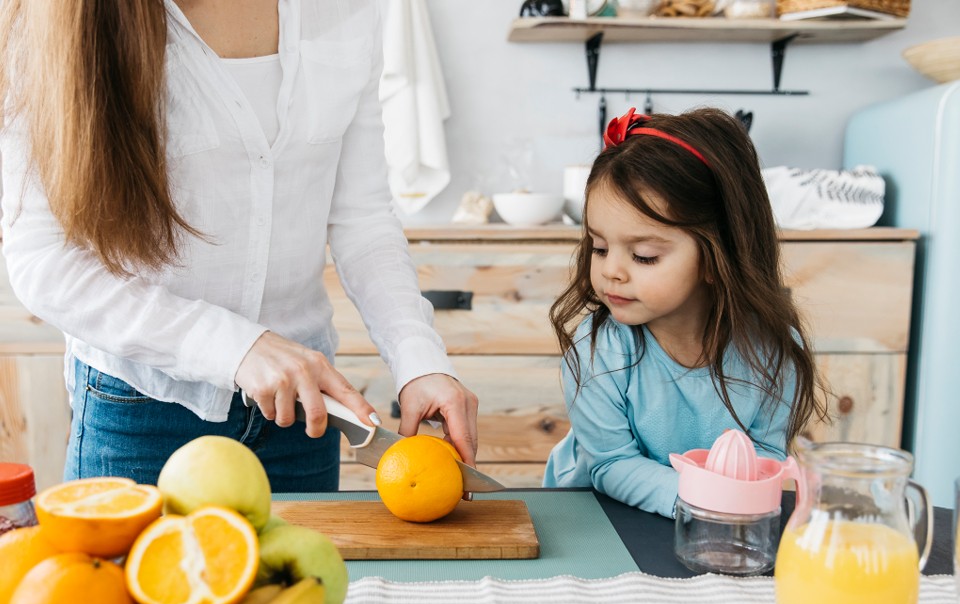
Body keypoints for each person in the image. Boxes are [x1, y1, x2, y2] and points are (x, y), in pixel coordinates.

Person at [0, 0, 478, 492]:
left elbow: (363, 218)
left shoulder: (347, 9)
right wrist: (235, 347)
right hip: (142, 413)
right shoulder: (52, 20)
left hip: (304, 413)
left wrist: (418, 359)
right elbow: (44, 259)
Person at [543, 106, 828, 518]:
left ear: (718, 257)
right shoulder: (597, 350)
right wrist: (707, 501)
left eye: (643, 256)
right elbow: (610, 463)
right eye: (600, 247)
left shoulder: (773, 352)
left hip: (707, 519)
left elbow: (762, 455)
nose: (610, 271)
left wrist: (718, 508)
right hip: (595, 519)